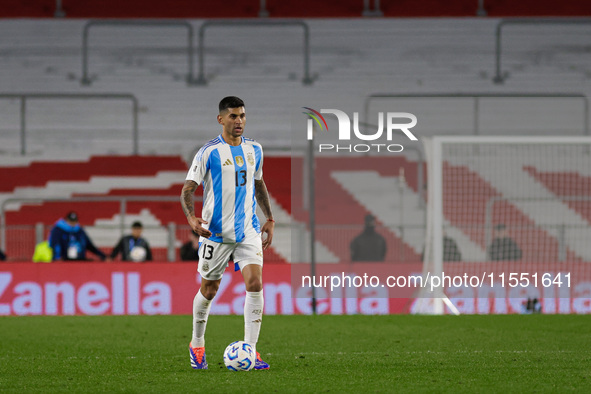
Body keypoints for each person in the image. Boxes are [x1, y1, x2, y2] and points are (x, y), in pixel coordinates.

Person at [181, 96, 274, 370]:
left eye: (242, 116)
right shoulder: (208, 152)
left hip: (248, 230)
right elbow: (187, 189)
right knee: (209, 290)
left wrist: (269, 218)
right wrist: (191, 219)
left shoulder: (255, 149)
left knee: (255, 284)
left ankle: (251, 350)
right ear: (221, 119)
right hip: (216, 233)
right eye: (233, 116)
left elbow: (258, 182)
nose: (239, 121)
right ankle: (197, 344)